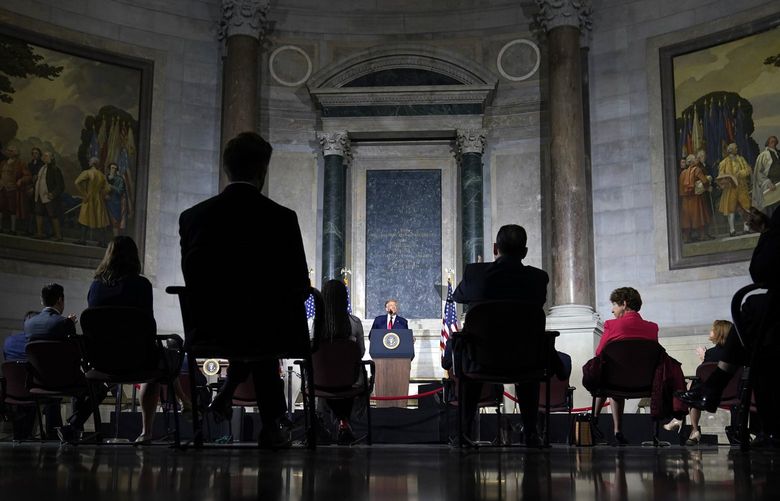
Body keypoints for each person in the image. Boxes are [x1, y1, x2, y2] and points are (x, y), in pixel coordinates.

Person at [179, 131, 310, 449]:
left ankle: (231, 398)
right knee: (258, 331)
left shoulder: (193, 217)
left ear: (227, 169)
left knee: (248, 328)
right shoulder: (281, 218)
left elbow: (192, 276)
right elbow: (300, 284)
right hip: (271, 329)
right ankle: (273, 423)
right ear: (262, 171)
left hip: (211, 328)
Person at [677, 207, 780, 446]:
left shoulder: (714, 353)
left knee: (754, 309)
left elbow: (761, 271)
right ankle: (713, 389)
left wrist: (766, 231)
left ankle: (713, 388)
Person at [449, 224, 550, 446]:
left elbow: (458, 297)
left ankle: (463, 432)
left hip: (483, 358)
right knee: (528, 368)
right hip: (525, 359)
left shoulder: (475, 273)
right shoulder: (538, 278)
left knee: (468, 354)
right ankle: (531, 432)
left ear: (495, 248)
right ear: (524, 252)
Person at [87, 235, 188, 444]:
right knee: (159, 366)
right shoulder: (141, 285)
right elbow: (148, 327)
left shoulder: (96, 286)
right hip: (138, 360)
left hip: (102, 361)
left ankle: (184, 403)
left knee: (154, 361)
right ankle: (147, 431)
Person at [25, 283, 105, 444]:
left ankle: (70, 429)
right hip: (65, 380)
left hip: (39, 381)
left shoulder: (29, 323)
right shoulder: (64, 323)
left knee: (81, 386)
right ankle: (73, 425)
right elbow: (76, 353)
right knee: (99, 388)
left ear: (42, 301)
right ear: (60, 300)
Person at [592, 287, 659, 445]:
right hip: (645, 384)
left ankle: (594, 420)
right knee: (615, 376)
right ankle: (618, 431)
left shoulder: (611, 325)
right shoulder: (652, 327)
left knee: (603, 371)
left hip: (616, 381)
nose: (612, 309)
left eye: (615, 304)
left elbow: (599, 352)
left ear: (624, 303)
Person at [312, 279, 366, 445]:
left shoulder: (317, 323)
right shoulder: (355, 323)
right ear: (345, 298)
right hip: (348, 381)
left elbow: (314, 351)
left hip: (322, 382)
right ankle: (344, 422)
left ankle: (323, 421)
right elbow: (361, 352)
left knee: (327, 380)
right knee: (345, 380)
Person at [665, 320, 732, 446]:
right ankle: (680, 420)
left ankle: (691, 427)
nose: (710, 331)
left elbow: (703, 374)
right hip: (734, 395)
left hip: (713, 395)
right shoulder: (736, 353)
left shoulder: (711, 353)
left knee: (693, 388)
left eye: (712, 329)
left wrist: (704, 358)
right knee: (692, 386)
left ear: (719, 332)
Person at [716, 143, 752, 237]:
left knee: (745, 207)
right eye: (736, 148)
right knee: (730, 209)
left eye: (736, 147)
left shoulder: (741, 159)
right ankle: (732, 230)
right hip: (730, 188)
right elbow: (720, 175)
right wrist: (727, 179)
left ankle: (746, 228)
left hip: (742, 187)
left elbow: (748, 170)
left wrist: (740, 173)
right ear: (731, 150)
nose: (737, 149)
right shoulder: (724, 162)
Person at [74, 157, 111, 246]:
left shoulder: (87, 172)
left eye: (90, 162)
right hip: (98, 199)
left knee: (84, 218)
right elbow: (108, 188)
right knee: (100, 219)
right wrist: (101, 195)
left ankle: (83, 239)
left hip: (89, 198)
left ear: (92, 163)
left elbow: (76, 182)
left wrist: (84, 194)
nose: (89, 163)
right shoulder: (102, 175)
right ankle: (102, 241)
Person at [679, 153, 712, 242]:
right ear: (693, 161)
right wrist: (708, 181)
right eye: (696, 159)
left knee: (687, 218)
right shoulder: (697, 170)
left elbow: (681, 187)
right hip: (696, 198)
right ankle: (702, 236)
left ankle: (686, 237)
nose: (697, 160)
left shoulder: (682, 173)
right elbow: (704, 181)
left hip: (686, 200)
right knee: (699, 216)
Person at [33, 151, 64, 241]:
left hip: (49, 196)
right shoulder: (41, 168)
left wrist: (53, 194)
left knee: (53, 215)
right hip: (39, 195)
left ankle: (58, 235)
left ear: (52, 158)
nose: (44, 157)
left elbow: (60, 185)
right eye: (44, 156)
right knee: (39, 213)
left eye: (47, 156)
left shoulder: (55, 169)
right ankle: (40, 233)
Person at [752, 136, 780, 216]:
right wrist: (768, 183)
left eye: (774, 141)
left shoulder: (778, 153)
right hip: (771, 184)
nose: (773, 143)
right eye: (771, 141)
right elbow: (758, 173)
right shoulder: (763, 155)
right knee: (772, 207)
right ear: (767, 143)